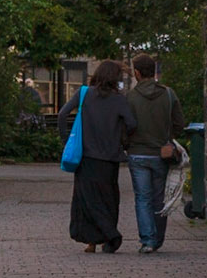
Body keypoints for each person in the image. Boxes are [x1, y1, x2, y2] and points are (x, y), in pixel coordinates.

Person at [58, 61, 135, 254]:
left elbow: (63, 114)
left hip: (86, 156)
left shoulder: (85, 93)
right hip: (109, 158)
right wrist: (122, 139)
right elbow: (132, 123)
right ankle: (107, 238)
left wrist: (66, 140)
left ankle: (91, 241)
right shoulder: (119, 100)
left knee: (86, 199)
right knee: (108, 199)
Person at [126, 54, 185, 253]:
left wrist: (127, 144)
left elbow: (125, 126)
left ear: (137, 73)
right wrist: (168, 137)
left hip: (137, 153)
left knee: (143, 197)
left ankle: (148, 240)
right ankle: (158, 239)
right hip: (162, 153)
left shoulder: (131, 97)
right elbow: (179, 123)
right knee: (159, 197)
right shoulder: (168, 94)